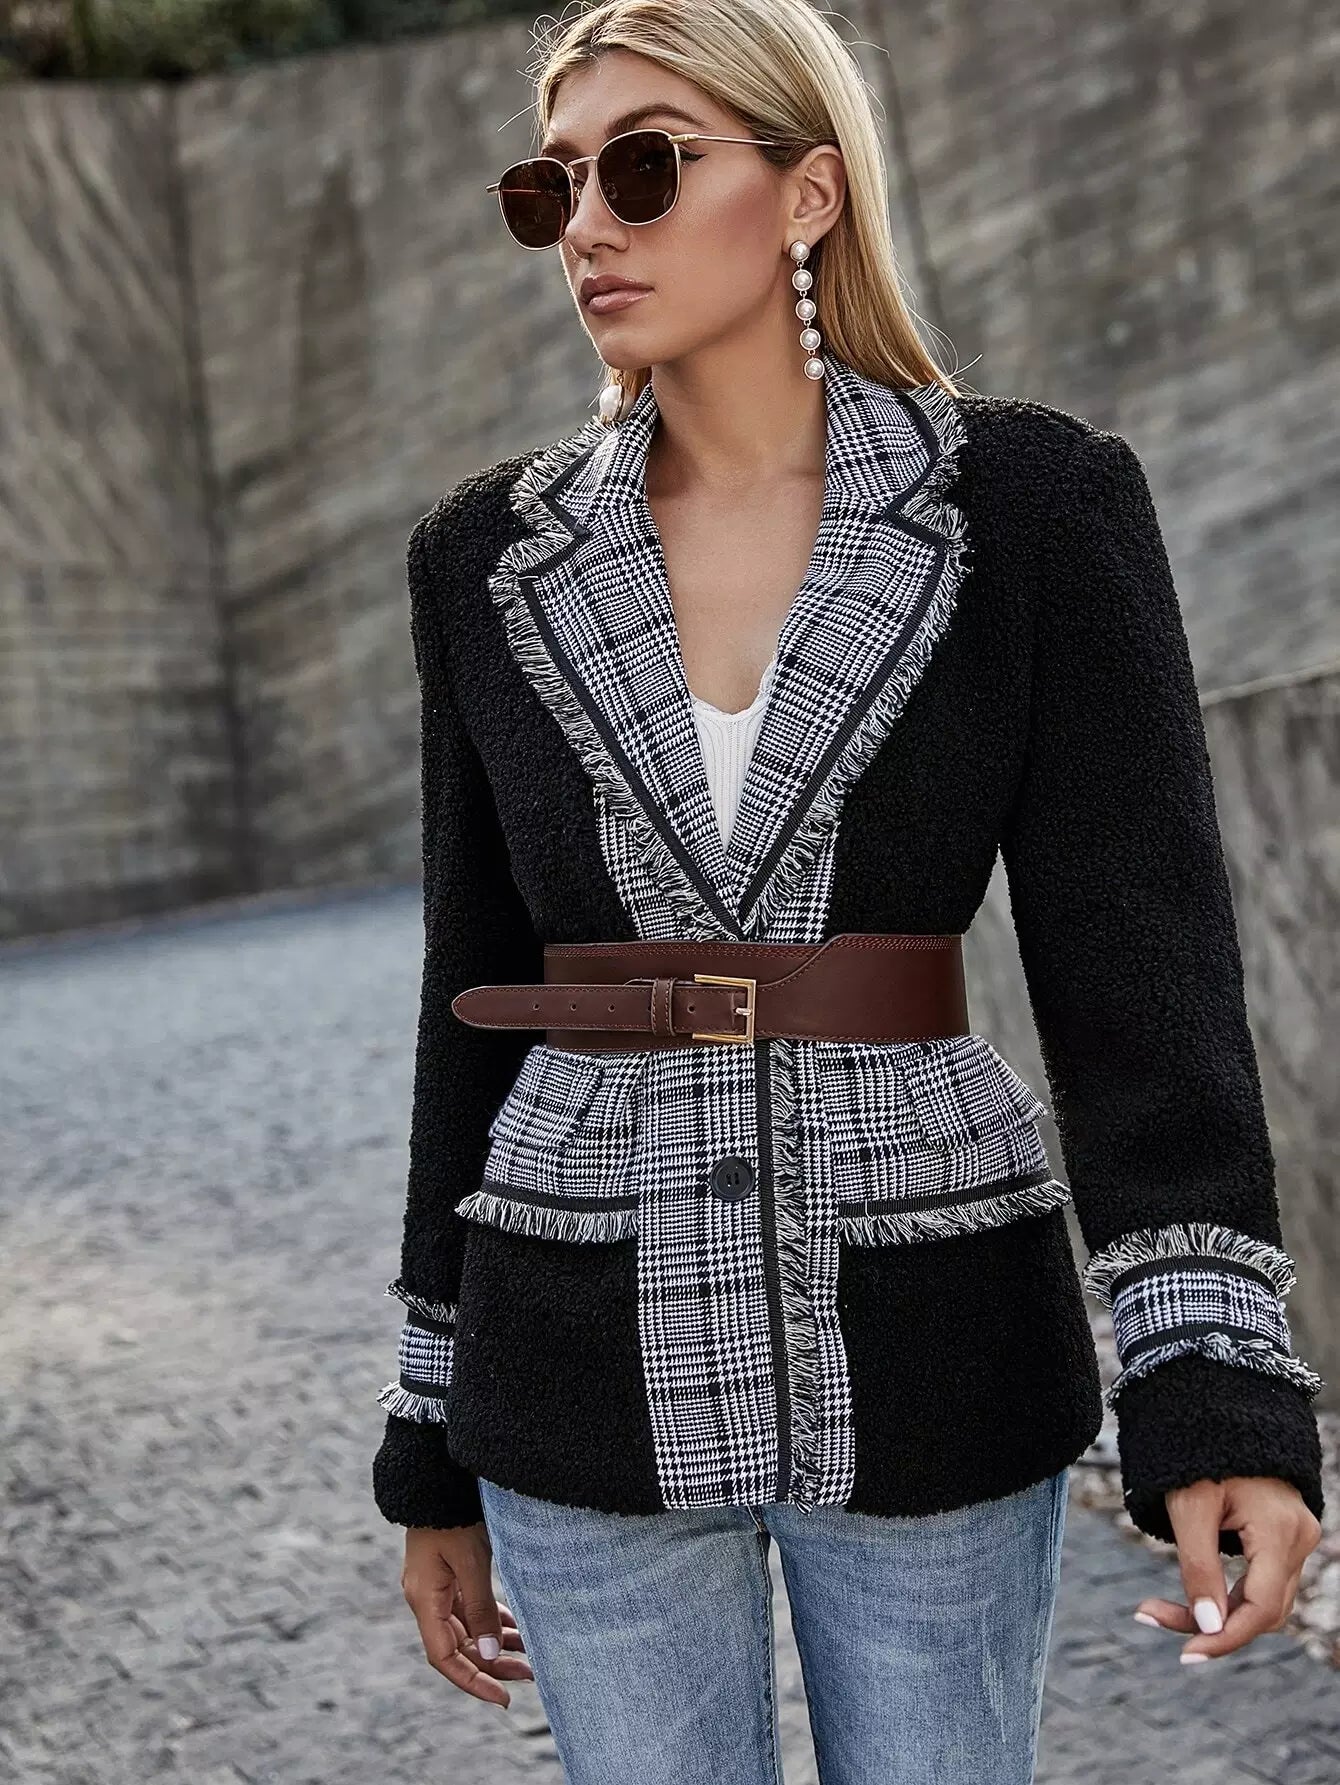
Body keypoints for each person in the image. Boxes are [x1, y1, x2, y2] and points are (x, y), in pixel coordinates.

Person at [371, 3, 1324, 1779]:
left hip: (928, 1329)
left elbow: (1144, 976)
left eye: (645, 168)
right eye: (553, 184)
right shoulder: (484, 559)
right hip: (575, 1345)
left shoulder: (1032, 508)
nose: (587, 226)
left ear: (808, 192)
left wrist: (1216, 1383)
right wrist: (431, 1432)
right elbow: (472, 995)